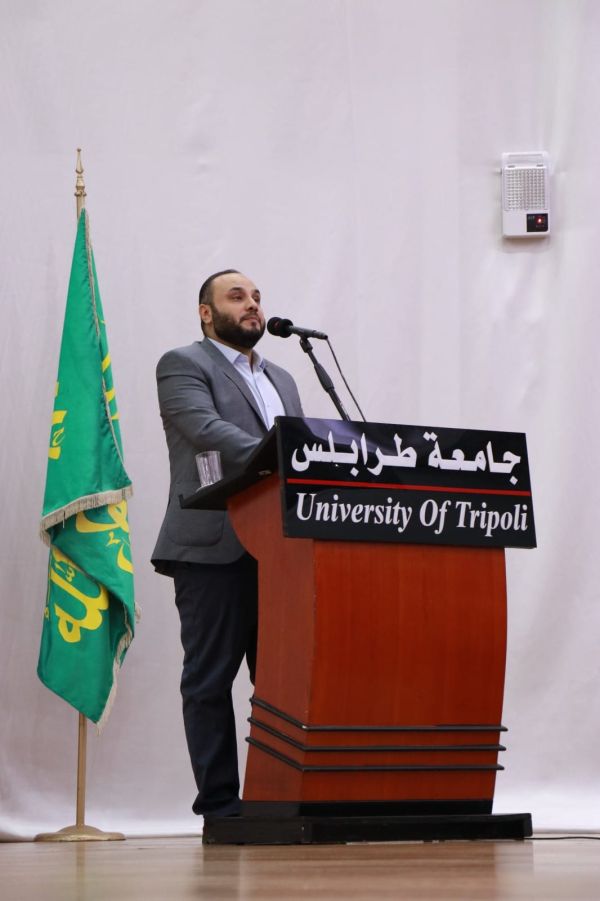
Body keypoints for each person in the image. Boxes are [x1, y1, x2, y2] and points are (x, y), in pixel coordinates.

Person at [151, 269, 303, 819]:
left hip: (282, 549)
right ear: (206, 312)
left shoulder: (283, 377)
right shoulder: (184, 364)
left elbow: (300, 447)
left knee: (283, 680)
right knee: (210, 680)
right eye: (237, 297)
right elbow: (207, 430)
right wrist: (286, 454)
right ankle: (219, 806)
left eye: (257, 297)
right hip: (212, 546)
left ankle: (282, 799)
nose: (252, 305)